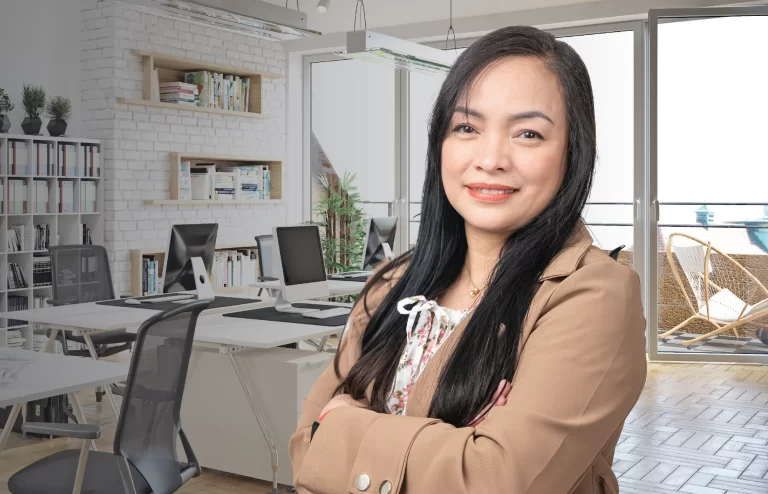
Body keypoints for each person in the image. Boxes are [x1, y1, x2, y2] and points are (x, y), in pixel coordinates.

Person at [289, 25, 646, 493]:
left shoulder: (593, 294)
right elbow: (303, 450)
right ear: (441, 142)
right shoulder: (393, 283)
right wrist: (458, 446)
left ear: (572, 153)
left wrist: (345, 429)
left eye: (528, 133)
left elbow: (496, 483)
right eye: (467, 128)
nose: (491, 158)